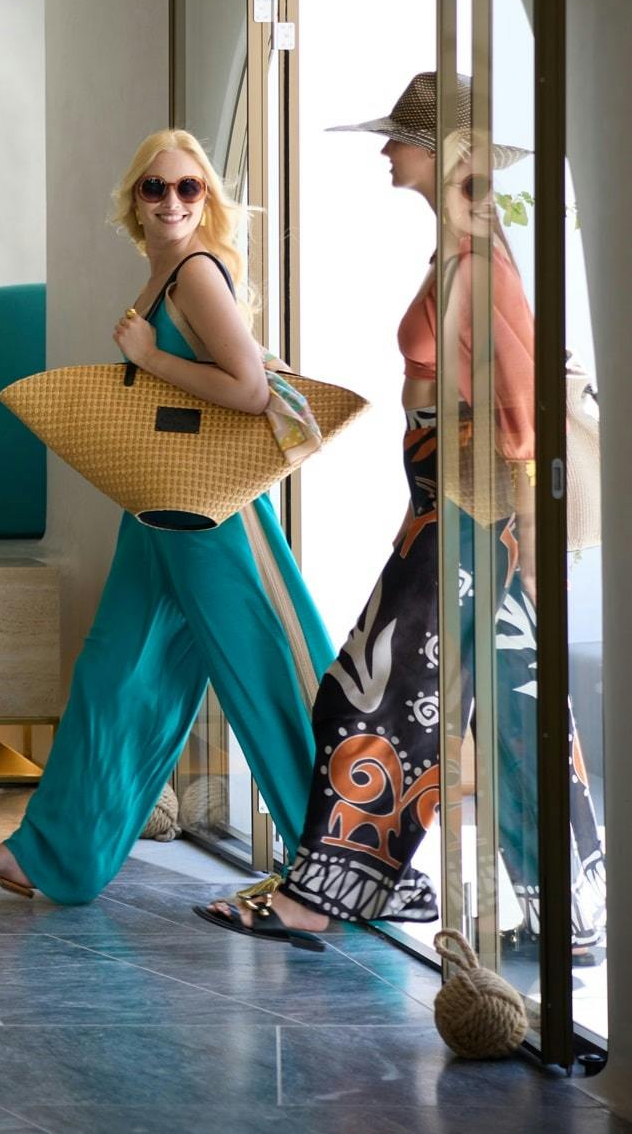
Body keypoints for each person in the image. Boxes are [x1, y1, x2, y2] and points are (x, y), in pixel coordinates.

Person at [202, 72, 604, 956]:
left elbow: (517, 406)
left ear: (443, 153)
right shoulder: (462, 248)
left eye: (400, 138)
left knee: (367, 693)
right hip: (453, 505)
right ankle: (567, 915)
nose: (387, 150)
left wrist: (519, 538)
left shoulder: (478, 260)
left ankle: (328, 893)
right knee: (514, 703)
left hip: (470, 511)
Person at [0, 130, 336, 913]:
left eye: (188, 188)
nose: (173, 201)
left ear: (205, 198)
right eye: (155, 188)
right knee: (113, 674)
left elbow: (248, 390)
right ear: (132, 201)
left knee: (268, 676)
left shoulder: (196, 273)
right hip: (159, 509)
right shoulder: (159, 279)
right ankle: (49, 855)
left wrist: (148, 361)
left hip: (212, 513)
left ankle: (344, 861)